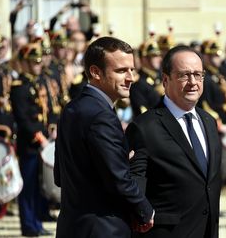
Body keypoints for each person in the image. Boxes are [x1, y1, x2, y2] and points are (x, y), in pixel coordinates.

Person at [54, 37, 154, 238]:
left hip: (72, 226)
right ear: (95, 72)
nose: (130, 78)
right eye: (121, 70)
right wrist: (145, 211)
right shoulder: (101, 116)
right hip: (103, 228)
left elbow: (60, 175)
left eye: (131, 70)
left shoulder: (73, 108)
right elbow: (118, 179)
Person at [126, 45, 222, 238]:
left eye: (198, 74)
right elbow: (134, 183)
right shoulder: (145, 127)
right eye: (184, 75)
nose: (193, 82)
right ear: (165, 79)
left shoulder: (209, 122)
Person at [10, 43, 51, 237]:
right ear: (24, 63)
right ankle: (28, 224)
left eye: (38, 62)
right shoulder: (20, 87)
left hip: (41, 141)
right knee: (28, 187)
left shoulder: (37, 83)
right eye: (32, 62)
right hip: (29, 144)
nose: (37, 65)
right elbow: (23, 118)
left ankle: (35, 222)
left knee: (37, 187)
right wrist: (39, 136)